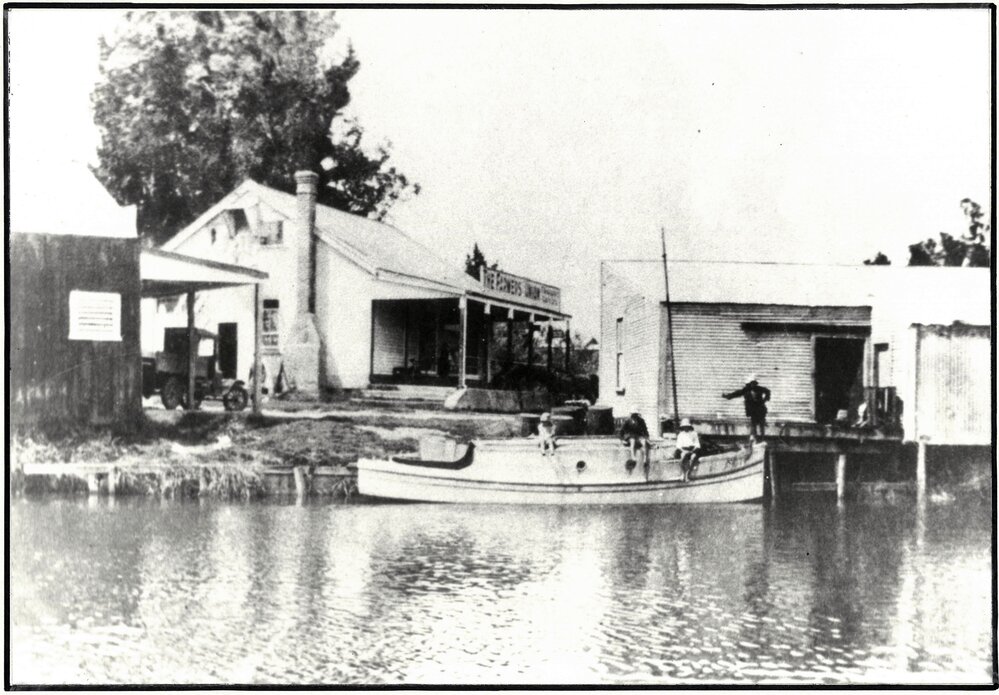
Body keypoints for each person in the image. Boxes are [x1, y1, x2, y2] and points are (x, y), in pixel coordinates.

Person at [723, 374, 771, 441]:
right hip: (752, 411)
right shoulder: (746, 390)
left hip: (760, 410)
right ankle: (755, 439)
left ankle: (762, 439)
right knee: (753, 425)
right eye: (751, 384)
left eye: (754, 384)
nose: (753, 385)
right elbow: (737, 393)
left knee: (761, 425)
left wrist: (765, 400)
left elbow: (768, 391)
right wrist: (728, 396)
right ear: (749, 384)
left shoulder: (759, 389)